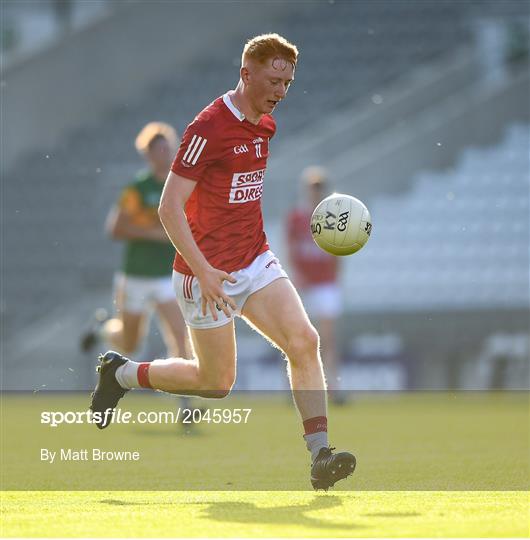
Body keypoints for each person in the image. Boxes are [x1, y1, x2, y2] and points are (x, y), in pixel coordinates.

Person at [90, 34, 356, 490]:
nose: (281, 91)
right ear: (246, 72)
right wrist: (205, 270)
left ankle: (320, 456)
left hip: (254, 258)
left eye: (289, 82)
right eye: (274, 80)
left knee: (304, 340)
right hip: (203, 273)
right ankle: (121, 373)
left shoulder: (266, 125)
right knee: (215, 383)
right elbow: (169, 207)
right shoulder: (207, 128)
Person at [81, 122, 190, 381]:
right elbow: (115, 229)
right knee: (130, 344)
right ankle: (101, 330)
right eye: (158, 150)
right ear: (148, 155)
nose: (164, 154)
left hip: (166, 275)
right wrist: (155, 235)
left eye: (167, 149)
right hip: (136, 274)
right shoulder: (138, 188)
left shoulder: (180, 186)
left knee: (179, 335)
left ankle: (187, 403)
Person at [286, 167, 344, 404]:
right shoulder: (296, 218)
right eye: (313, 188)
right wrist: (298, 276)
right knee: (298, 336)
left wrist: (334, 277)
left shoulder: (334, 216)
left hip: (325, 283)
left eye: (319, 187)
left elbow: (340, 250)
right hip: (304, 283)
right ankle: (298, 389)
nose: (316, 192)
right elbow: (291, 249)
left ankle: (332, 387)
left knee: (327, 338)